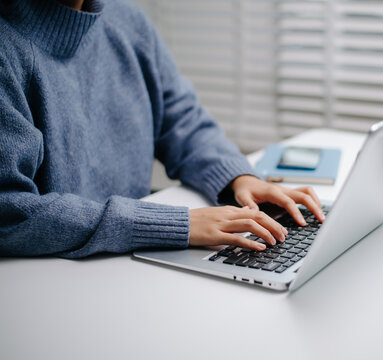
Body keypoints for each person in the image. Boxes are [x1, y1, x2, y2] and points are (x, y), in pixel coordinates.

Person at [0, 0, 325, 258]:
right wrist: (175, 226)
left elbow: (184, 121)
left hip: (129, 259)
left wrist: (238, 178)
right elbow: (10, 209)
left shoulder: (128, 20)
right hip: (51, 277)